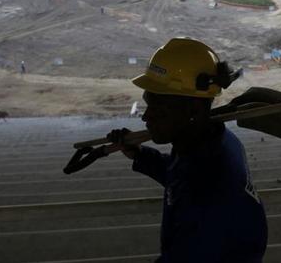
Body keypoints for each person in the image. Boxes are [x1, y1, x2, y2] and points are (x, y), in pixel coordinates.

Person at [108, 37, 267, 262]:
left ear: (193, 108)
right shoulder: (211, 141)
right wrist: (140, 154)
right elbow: (179, 174)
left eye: (157, 107)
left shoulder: (205, 204)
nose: (145, 116)